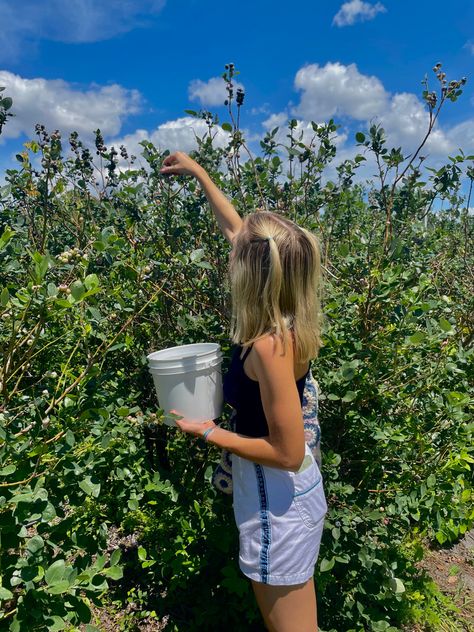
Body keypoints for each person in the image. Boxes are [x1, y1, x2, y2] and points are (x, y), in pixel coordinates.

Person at [160, 152, 327, 632]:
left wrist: (209, 433)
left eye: (236, 254)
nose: (229, 250)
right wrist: (199, 174)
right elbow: (234, 228)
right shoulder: (286, 315)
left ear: (251, 273)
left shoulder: (271, 344)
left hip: (278, 497)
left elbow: (288, 452)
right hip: (288, 495)